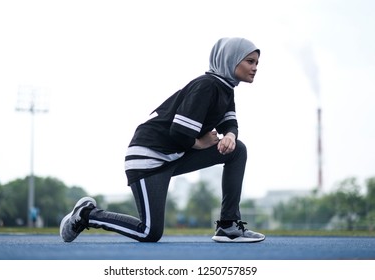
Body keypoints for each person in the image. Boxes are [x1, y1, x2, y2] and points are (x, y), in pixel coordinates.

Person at [60, 37, 266, 243]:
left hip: (174, 154)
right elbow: (179, 131)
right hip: (148, 157)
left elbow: (229, 123)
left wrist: (229, 136)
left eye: (256, 63)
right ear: (231, 60)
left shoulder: (225, 89)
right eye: (250, 61)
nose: (255, 67)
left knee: (237, 150)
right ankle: (87, 214)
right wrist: (200, 143)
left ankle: (228, 226)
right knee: (149, 232)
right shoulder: (207, 86)